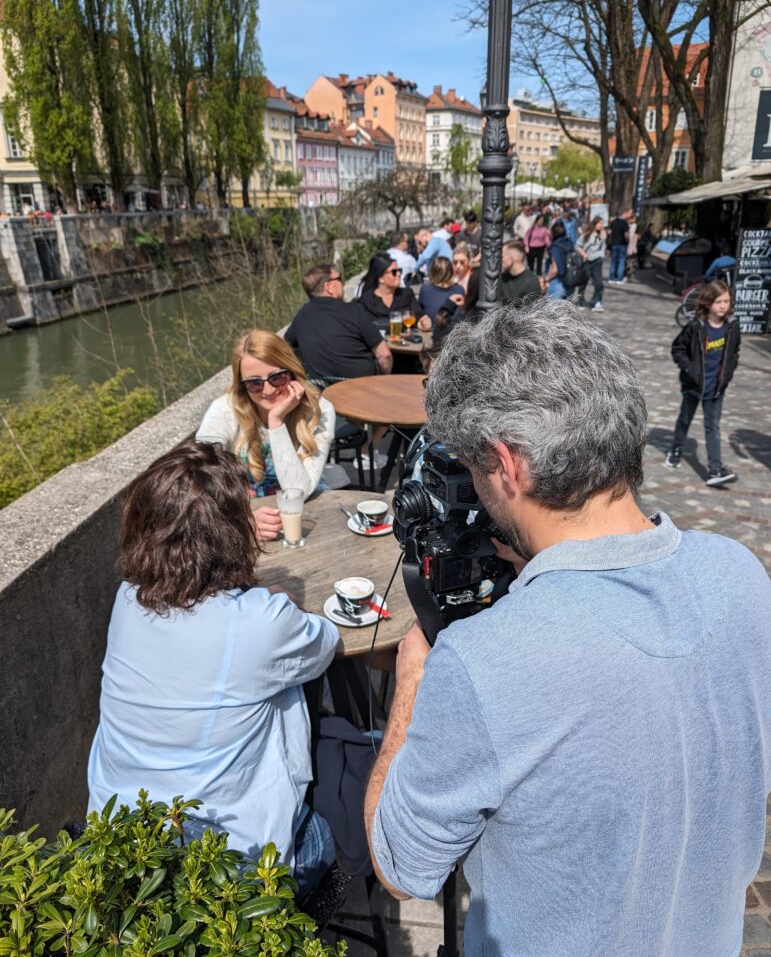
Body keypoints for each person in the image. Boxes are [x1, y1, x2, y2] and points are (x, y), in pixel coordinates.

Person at [364, 301, 771, 957]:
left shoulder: (482, 660)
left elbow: (401, 865)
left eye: (469, 466)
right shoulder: (741, 576)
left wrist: (414, 674)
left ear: (505, 464)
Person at [88, 442, 340, 896]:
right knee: (332, 829)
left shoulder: (127, 598)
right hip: (226, 872)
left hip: (122, 846)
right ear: (231, 531)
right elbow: (325, 645)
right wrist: (277, 602)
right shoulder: (260, 622)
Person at [197, 330, 335, 540]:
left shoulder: (320, 410)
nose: (268, 391)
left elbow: (298, 491)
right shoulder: (225, 409)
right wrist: (243, 519)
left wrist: (276, 422)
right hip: (245, 518)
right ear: (242, 385)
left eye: (277, 378)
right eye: (254, 383)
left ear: (292, 372)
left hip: (307, 515)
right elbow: (197, 475)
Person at [665, 280, 740, 486]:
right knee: (685, 419)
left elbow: (734, 352)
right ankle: (676, 449)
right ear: (708, 303)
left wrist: (729, 373)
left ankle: (715, 470)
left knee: (712, 426)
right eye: (718, 302)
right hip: (694, 385)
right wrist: (690, 369)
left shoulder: (732, 327)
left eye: (726, 301)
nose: (723, 306)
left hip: (716, 389)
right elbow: (677, 348)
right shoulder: (696, 326)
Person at [284, 263, 393, 384]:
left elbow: (284, 348)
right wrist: (383, 379)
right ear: (329, 286)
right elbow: (384, 355)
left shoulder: (301, 315)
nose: (342, 284)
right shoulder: (355, 311)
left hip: (322, 391)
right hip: (363, 389)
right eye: (340, 279)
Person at [357, 252, 429, 325]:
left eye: (399, 270)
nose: (399, 274)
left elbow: (419, 317)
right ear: (380, 278)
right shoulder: (366, 301)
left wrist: (422, 324)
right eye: (394, 272)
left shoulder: (406, 294)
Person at [418, 256, 465, 321]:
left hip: (432, 329)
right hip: (454, 329)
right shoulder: (459, 289)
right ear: (451, 271)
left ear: (432, 271)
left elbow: (420, 313)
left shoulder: (425, 289)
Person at [576, 215, 607, 311]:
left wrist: (601, 256)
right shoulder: (587, 235)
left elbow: (603, 245)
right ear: (595, 223)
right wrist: (583, 254)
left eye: (602, 223)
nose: (601, 225)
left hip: (597, 260)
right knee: (583, 282)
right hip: (586, 260)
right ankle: (580, 301)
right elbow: (577, 245)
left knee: (599, 283)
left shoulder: (602, 234)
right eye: (600, 223)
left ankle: (597, 301)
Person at [500, 240, 542, 304]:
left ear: (512, 258)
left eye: (502, 256)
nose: (500, 260)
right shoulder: (502, 278)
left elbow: (531, 312)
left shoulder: (531, 283)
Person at [543, 218, 573, 298]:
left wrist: (545, 279)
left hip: (557, 283)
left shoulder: (555, 248)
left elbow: (555, 270)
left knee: (552, 309)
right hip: (570, 283)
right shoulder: (568, 243)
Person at [608, 209, 630, 283]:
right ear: (625, 213)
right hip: (622, 244)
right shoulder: (624, 223)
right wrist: (628, 240)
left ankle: (611, 278)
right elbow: (626, 234)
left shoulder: (613, 222)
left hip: (614, 244)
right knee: (621, 261)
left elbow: (609, 233)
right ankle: (619, 279)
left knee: (613, 261)